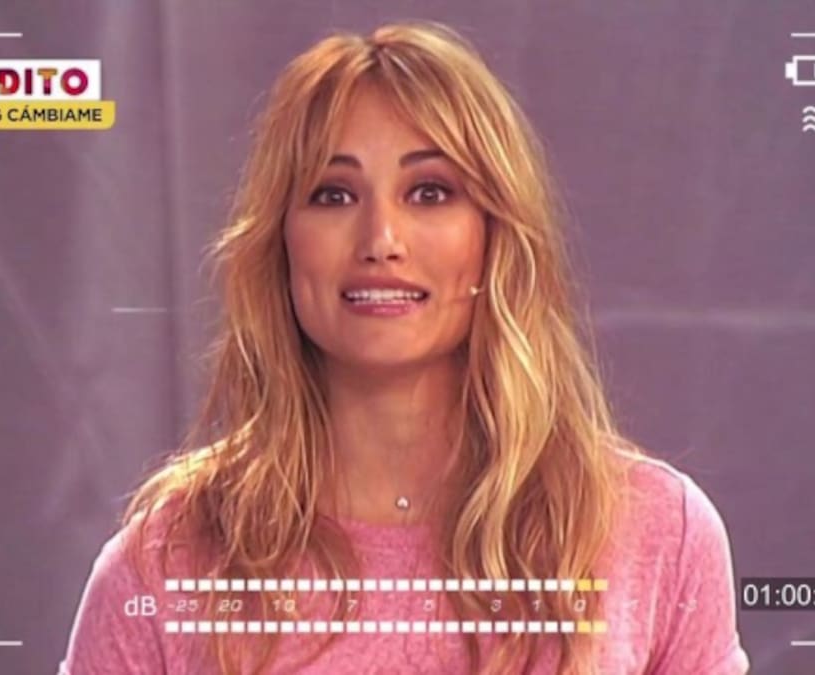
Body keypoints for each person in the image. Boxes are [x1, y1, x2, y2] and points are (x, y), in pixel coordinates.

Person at [59, 21, 749, 675]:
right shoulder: (162, 564)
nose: (381, 240)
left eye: (430, 191)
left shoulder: (659, 533)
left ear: (494, 238)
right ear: (280, 244)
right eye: (333, 194)